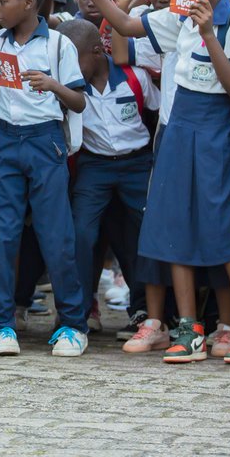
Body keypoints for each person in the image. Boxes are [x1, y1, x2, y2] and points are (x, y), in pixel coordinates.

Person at [75, 0, 230, 364]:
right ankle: (188, 329)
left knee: (224, 229)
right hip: (178, 127)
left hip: (216, 131)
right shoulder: (178, 17)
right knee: (173, 225)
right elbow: (125, 26)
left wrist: (208, 33)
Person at [0, 0, 89, 358]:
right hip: (7, 141)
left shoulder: (57, 46)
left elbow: (80, 101)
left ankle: (72, 324)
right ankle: (2, 324)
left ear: (29, 3)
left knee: (56, 235)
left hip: (44, 142)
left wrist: (53, 85)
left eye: (2, 1)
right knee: (4, 234)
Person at [58, 18, 163, 350]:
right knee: (81, 231)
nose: (68, 70)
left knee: (147, 233)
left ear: (98, 51)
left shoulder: (135, 77)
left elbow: (158, 112)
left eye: (74, 60)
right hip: (95, 166)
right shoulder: (74, 89)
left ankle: (146, 309)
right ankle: (77, 308)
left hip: (137, 163)